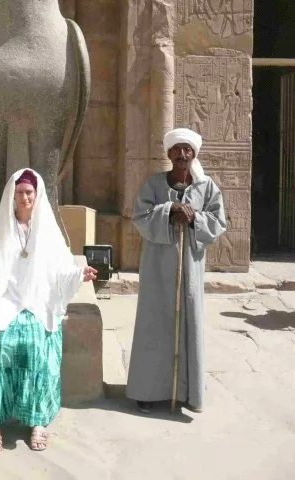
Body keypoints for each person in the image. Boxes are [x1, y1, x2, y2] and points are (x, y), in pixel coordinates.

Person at [0, 168, 97, 456]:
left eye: (29, 192)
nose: (25, 197)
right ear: (12, 196)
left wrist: (81, 274)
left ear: (37, 195)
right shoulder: (3, 229)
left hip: (38, 302)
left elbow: (62, 270)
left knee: (36, 346)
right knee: (0, 341)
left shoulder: (48, 231)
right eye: (20, 192)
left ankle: (37, 421)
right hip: (8, 300)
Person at [126, 128, 226, 414]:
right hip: (158, 265)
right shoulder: (154, 184)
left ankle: (188, 393)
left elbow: (218, 221)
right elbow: (140, 216)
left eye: (187, 150)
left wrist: (195, 217)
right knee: (153, 324)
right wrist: (169, 209)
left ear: (194, 154)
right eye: (177, 150)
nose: (182, 155)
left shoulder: (207, 188)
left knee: (189, 322)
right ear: (168, 153)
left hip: (190, 267)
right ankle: (147, 390)